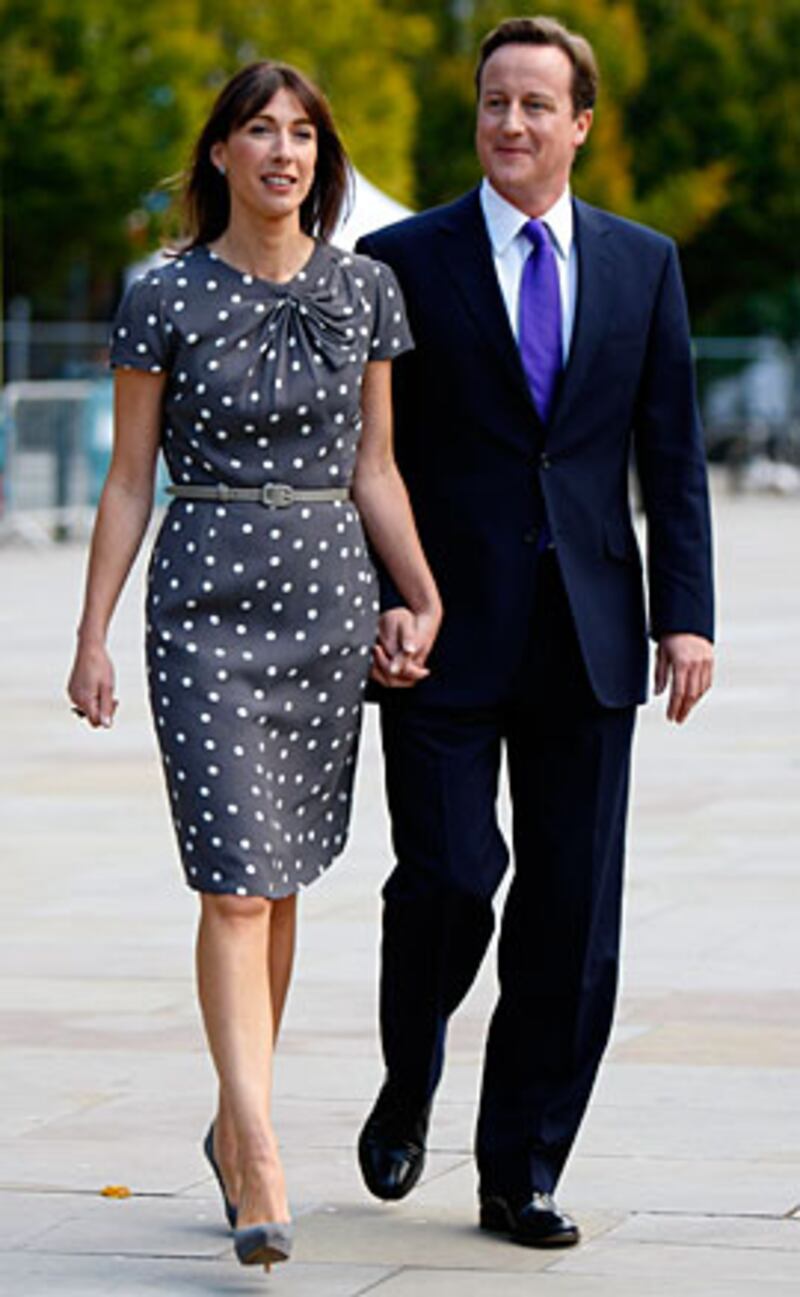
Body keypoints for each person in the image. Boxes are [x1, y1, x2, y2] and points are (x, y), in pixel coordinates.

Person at [66, 60, 440, 1271]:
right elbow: (130, 479)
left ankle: (236, 1123)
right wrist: (91, 633)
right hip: (203, 610)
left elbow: (375, 466)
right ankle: (264, 1149)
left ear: (320, 158)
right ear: (220, 153)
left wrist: (420, 591)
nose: (283, 151)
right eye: (259, 130)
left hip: (327, 606)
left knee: (275, 885)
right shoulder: (162, 293)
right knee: (231, 885)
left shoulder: (365, 288)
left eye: (302, 134)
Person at [356, 15, 714, 1249]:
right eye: (492, 101)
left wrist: (684, 617)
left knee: (570, 912)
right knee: (449, 877)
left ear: (580, 123)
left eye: (533, 103)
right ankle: (410, 1072)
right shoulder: (400, 259)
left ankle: (522, 1168)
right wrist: (386, 598)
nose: (508, 122)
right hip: (440, 629)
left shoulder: (642, 264)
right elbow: (371, 457)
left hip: (589, 633)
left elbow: (671, 454)